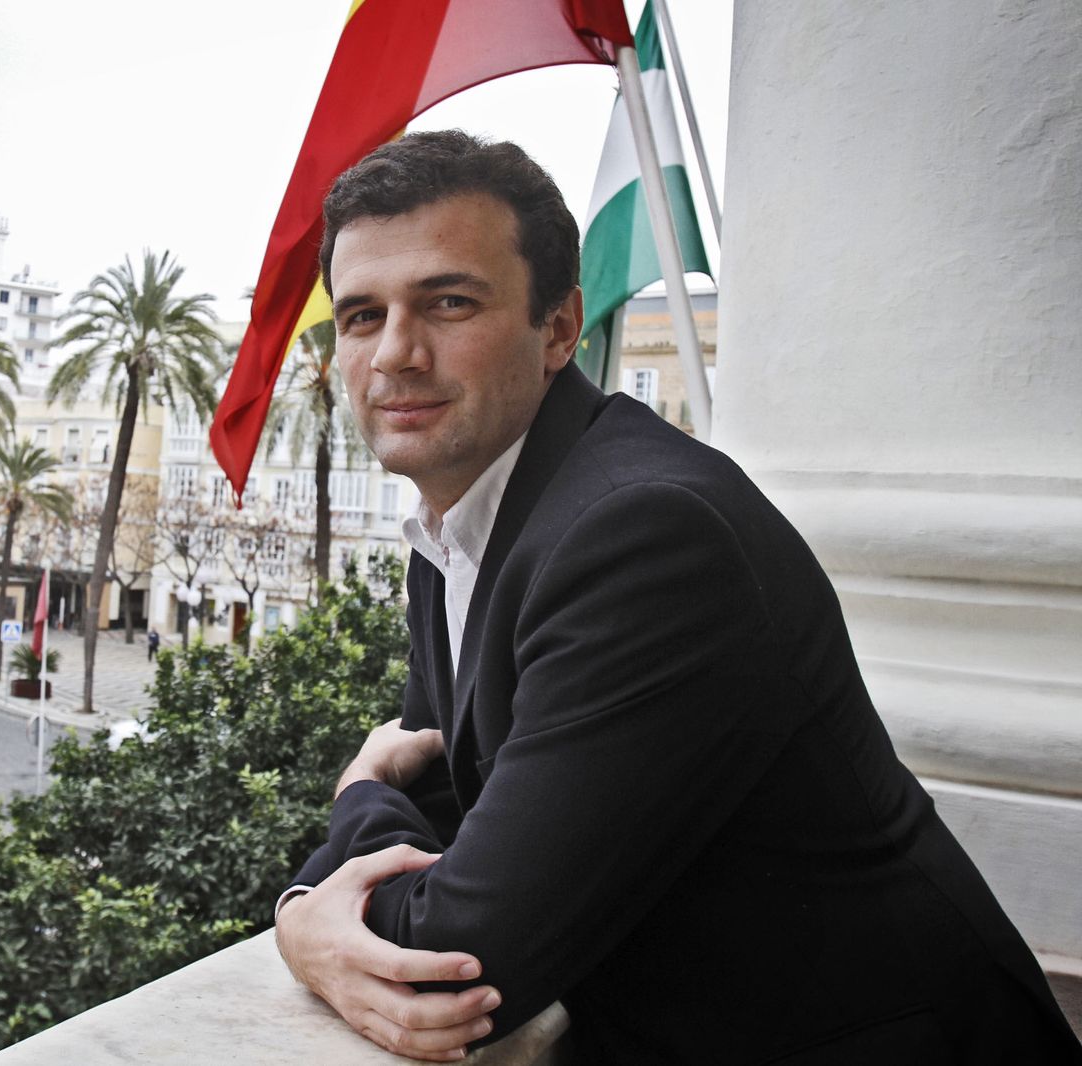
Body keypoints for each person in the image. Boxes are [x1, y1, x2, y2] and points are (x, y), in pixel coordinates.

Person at [273, 132, 1081, 1064]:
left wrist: (349, 814)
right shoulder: (462, 520)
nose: (395, 354)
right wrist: (341, 882)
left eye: (449, 302)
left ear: (560, 328)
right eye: (364, 315)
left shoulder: (644, 534)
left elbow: (462, 948)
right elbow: (454, 806)